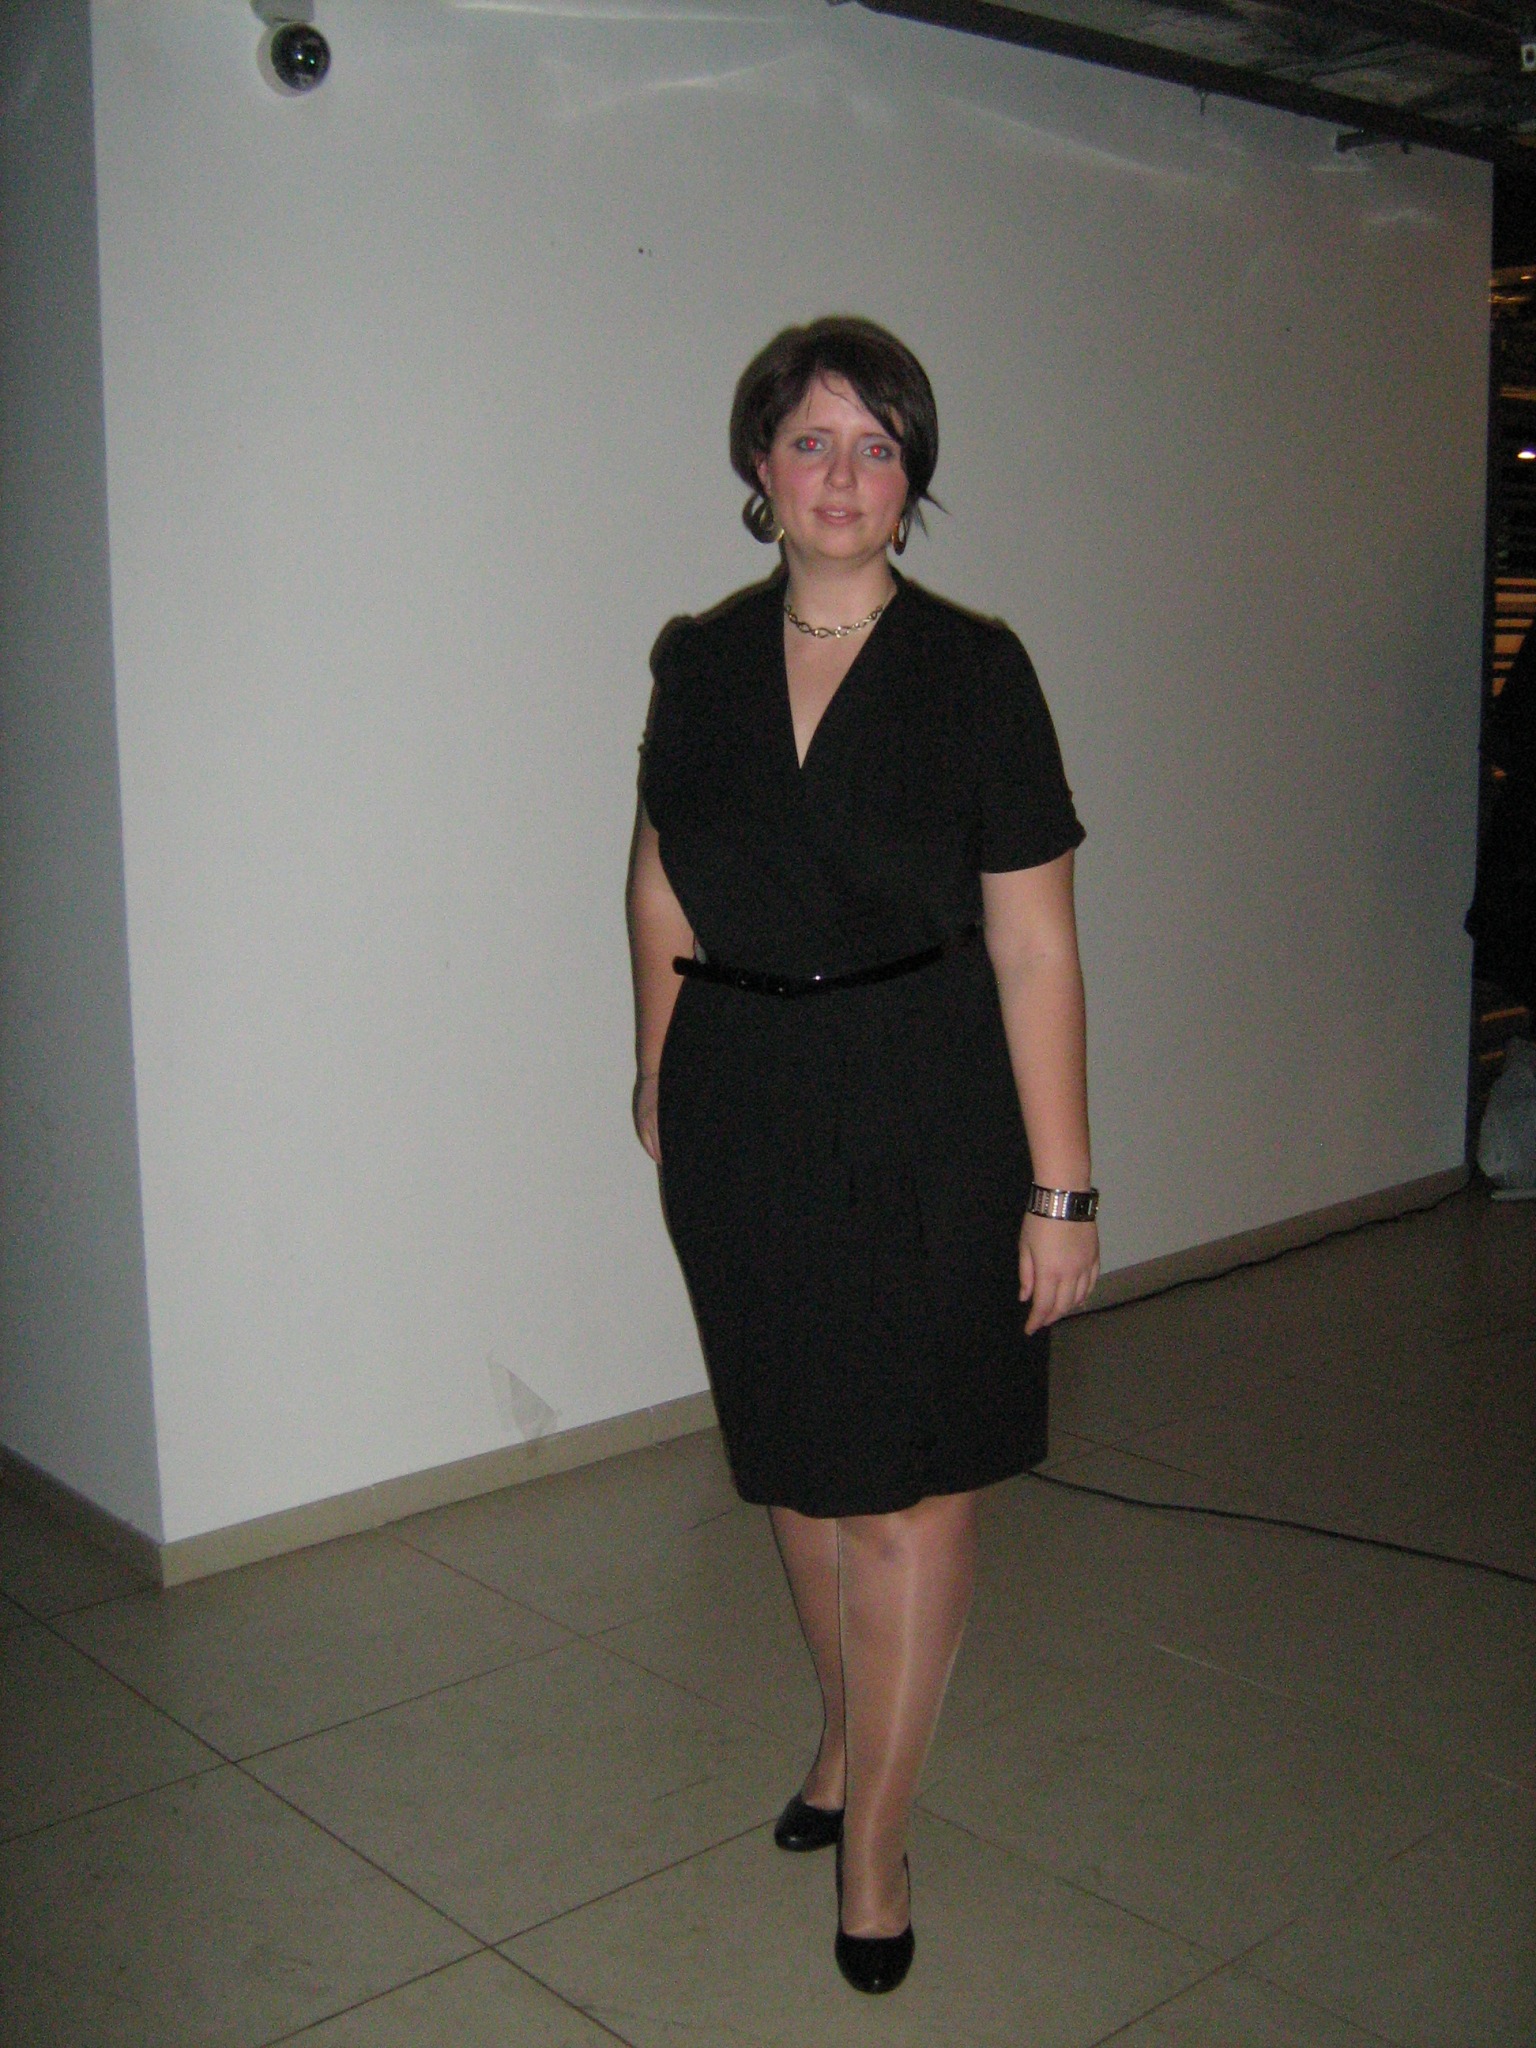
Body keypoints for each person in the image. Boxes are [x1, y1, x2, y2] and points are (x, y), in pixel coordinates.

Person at [627, 316, 1098, 1994]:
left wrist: (1061, 1187)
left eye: (877, 445)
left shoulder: (977, 672)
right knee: (800, 1465)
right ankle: (845, 1734)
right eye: (811, 440)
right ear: (760, 466)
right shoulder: (698, 664)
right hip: (743, 1100)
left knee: (905, 1486)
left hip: (927, 1106)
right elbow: (660, 880)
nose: (842, 474)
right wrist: (658, 1067)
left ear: (915, 479)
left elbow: (1035, 945)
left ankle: (879, 1846)